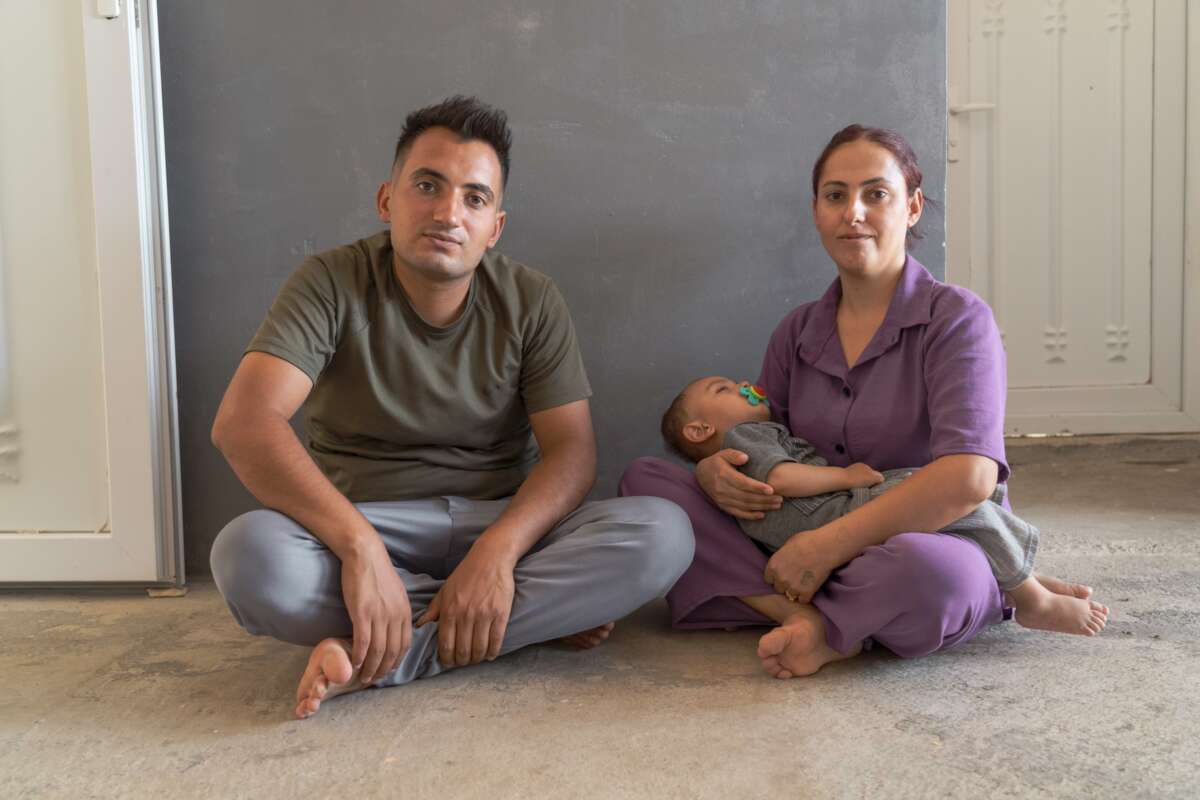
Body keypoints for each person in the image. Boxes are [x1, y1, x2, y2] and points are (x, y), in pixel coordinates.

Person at [209, 96, 693, 718]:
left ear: (495, 227)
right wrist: (360, 549)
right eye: (428, 186)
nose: (447, 213)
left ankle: (394, 652)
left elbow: (572, 452)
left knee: (663, 533)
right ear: (388, 200)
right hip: (368, 522)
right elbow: (245, 424)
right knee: (247, 557)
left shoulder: (531, 299)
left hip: (501, 522)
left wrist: (498, 555)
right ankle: (520, 620)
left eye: (474, 197)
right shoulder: (329, 282)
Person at [620, 124, 1108, 680]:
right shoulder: (795, 332)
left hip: (918, 544)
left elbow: (970, 479)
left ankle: (826, 627)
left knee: (937, 577)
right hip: (796, 537)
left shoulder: (957, 320)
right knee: (646, 480)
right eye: (835, 196)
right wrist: (712, 471)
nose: (853, 212)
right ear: (817, 211)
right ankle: (802, 615)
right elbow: (763, 442)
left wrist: (826, 547)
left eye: (876, 194)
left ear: (913, 207)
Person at [659, 374, 1107, 636]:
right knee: (950, 503)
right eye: (723, 390)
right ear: (699, 431)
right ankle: (1031, 599)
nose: (743, 385)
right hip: (822, 511)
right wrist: (845, 475)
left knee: (965, 494)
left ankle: (1012, 573)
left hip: (831, 506)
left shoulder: (758, 430)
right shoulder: (746, 437)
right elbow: (782, 478)